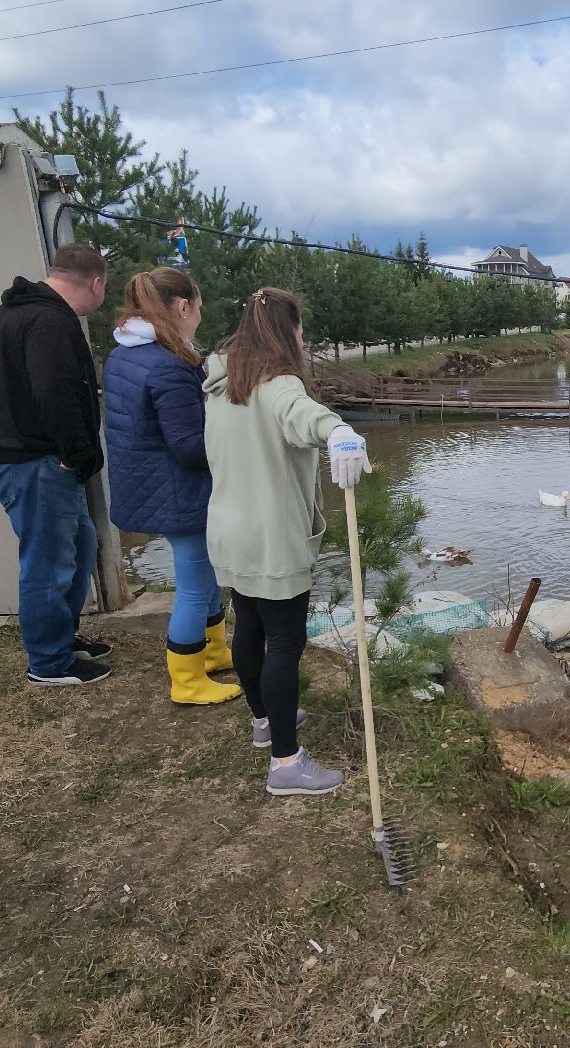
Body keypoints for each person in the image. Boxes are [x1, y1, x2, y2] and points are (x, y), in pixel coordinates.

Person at [203, 287, 369, 796]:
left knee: (249, 623)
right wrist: (338, 430)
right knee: (284, 642)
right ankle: (286, 762)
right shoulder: (278, 384)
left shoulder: (221, 383)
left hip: (229, 530)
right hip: (272, 537)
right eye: (300, 329)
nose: (302, 338)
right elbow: (304, 413)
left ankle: (263, 720)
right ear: (288, 331)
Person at [0, 244, 115, 686]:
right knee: (48, 562)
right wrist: (75, 455)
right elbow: (55, 394)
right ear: (95, 283)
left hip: (27, 455)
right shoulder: (50, 321)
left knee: (80, 545)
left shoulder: (17, 311)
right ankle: (49, 662)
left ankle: (61, 637)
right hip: (31, 459)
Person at [102, 267, 239, 706]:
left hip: (146, 482)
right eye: (198, 307)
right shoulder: (170, 366)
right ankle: (188, 680)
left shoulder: (124, 353)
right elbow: (189, 447)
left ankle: (215, 652)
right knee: (196, 587)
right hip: (179, 490)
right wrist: (237, 442)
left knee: (206, 576)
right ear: (183, 307)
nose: (199, 316)